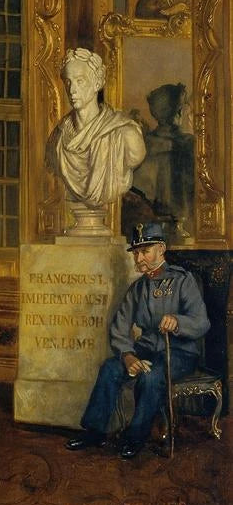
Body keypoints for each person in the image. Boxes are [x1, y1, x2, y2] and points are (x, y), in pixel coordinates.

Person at [65, 221, 210, 458]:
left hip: (180, 352)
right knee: (110, 368)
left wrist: (178, 322)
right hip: (147, 348)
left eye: (145, 251)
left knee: (151, 377)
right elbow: (119, 328)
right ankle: (95, 432)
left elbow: (202, 322)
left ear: (161, 249)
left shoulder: (183, 281)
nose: (139, 258)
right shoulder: (138, 288)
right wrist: (128, 356)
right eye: (136, 253)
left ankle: (135, 438)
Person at [46, 48, 146, 209]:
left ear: (97, 83)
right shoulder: (57, 137)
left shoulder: (125, 133)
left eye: (80, 81)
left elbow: (136, 156)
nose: (72, 90)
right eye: (68, 82)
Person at [132, 83, 194, 238]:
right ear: (179, 112)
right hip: (174, 226)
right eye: (185, 107)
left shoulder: (144, 143)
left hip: (151, 223)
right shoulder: (190, 145)